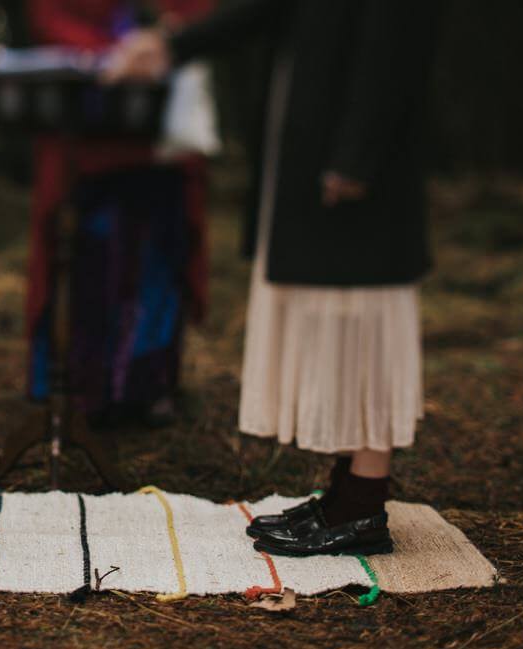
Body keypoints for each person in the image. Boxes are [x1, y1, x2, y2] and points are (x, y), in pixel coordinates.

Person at [105, 0, 437, 556]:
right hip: (314, 142)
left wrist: (358, 156)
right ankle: (346, 490)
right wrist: (172, 45)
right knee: (331, 317)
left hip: (358, 156)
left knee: (363, 314)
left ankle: (362, 506)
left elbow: (397, 42)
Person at [26, 0, 214, 427]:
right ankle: (82, 385)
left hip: (162, 131)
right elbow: (49, 15)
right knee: (88, 255)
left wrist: (168, 39)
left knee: (158, 257)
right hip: (87, 126)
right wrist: (111, 52)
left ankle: (145, 384)